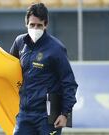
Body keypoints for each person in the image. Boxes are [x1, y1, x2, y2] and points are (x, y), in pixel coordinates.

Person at [10, 3, 78, 135]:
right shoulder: (19, 42)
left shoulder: (56, 49)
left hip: (48, 116)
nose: (35, 28)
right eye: (32, 25)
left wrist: (65, 114)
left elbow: (69, 83)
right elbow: (10, 70)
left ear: (45, 25)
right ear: (26, 24)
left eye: (39, 25)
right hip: (25, 113)